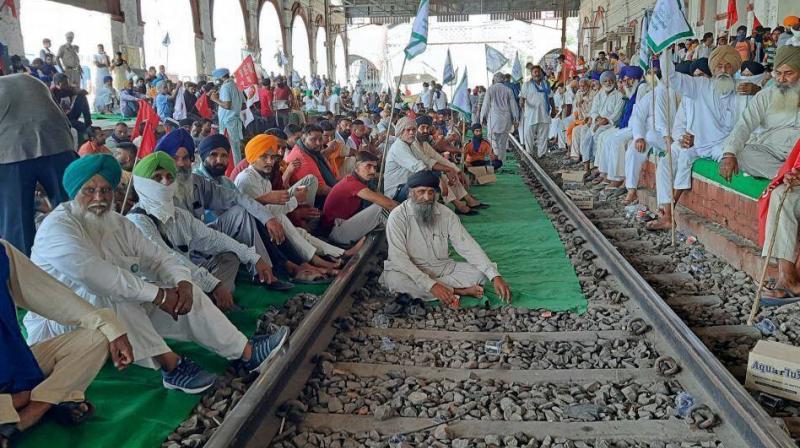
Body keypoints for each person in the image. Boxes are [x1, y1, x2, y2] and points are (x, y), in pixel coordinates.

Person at [25, 154, 290, 394]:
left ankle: (246, 353)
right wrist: (158, 295)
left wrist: (182, 283)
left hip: (118, 323)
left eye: (105, 190)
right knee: (114, 293)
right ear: (74, 193)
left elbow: (158, 257)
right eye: (89, 190)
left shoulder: (116, 223)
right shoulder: (57, 227)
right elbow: (94, 275)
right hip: (64, 328)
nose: (99, 198)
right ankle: (171, 367)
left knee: (179, 288)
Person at [0, 239, 133, 446]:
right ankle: (44, 400)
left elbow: (51, 296)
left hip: (18, 367)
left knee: (96, 337)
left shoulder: (2, 252)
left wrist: (110, 327)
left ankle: (33, 410)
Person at [128, 153, 273, 310]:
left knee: (229, 256)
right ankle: (207, 308)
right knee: (182, 284)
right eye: (157, 178)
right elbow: (168, 259)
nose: (165, 183)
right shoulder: (137, 221)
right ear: (142, 184)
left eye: (169, 177)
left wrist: (253, 257)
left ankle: (211, 306)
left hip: (188, 276)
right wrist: (213, 284)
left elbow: (214, 238)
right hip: (159, 289)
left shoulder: (178, 214)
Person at [379, 170, 512, 307]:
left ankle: (442, 291)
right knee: (398, 282)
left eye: (431, 192)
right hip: (409, 271)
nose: (426, 197)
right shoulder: (397, 216)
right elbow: (398, 258)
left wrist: (495, 276)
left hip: (442, 269)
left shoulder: (446, 214)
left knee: (481, 273)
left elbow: (467, 246)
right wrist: (431, 285)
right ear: (411, 192)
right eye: (421, 192)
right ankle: (459, 291)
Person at [646, 47, 743, 230]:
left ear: (735, 69)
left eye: (728, 66)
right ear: (713, 69)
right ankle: (666, 212)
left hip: (721, 146)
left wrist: (757, 87)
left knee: (738, 160)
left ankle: (669, 211)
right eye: (719, 66)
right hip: (694, 143)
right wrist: (666, 50)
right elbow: (670, 77)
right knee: (667, 160)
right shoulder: (700, 86)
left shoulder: (742, 88)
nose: (723, 70)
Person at [0, 74, 77, 256]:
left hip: (12, 152)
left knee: (16, 220)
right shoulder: (31, 80)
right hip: (59, 143)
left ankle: (21, 273)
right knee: (73, 208)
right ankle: (77, 256)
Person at [322, 151, 397, 244]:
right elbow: (388, 204)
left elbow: (383, 197)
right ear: (356, 167)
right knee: (381, 207)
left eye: (374, 167)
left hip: (343, 225)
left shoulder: (360, 180)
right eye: (368, 166)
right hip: (336, 232)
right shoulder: (352, 183)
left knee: (387, 200)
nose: (373, 171)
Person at [577, 71, 626, 176]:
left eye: (611, 81)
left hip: (610, 124)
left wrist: (605, 120)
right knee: (585, 135)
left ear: (614, 82)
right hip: (598, 121)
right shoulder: (599, 94)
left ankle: (597, 167)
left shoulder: (619, 95)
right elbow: (593, 110)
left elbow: (617, 114)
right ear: (602, 82)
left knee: (598, 135)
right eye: (605, 81)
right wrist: (597, 118)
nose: (608, 83)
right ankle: (586, 167)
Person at [284, 124, 339, 207]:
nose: (318, 143)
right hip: (316, 202)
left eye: (320, 139)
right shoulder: (301, 157)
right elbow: (320, 189)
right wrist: (341, 193)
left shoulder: (309, 150)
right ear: (303, 138)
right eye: (313, 139)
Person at [480, 72, 519, 162]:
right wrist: (516, 118)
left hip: (493, 119)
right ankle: (501, 161)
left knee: (492, 139)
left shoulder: (490, 89)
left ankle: (496, 157)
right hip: (506, 119)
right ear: (503, 80)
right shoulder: (508, 90)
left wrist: (482, 118)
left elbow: (485, 105)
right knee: (503, 142)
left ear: (493, 80)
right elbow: (513, 105)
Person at [209, 68, 245, 164]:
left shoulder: (226, 87)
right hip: (234, 120)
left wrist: (215, 99)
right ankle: (237, 168)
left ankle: (235, 171)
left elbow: (227, 105)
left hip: (228, 122)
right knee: (236, 149)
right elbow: (243, 104)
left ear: (221, 77)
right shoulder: (235, 85)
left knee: (231, 150)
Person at [519, 65, 555, 157]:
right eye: (535, 72)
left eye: (538, 72)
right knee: (529, 134)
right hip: (531, 114)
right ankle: (529, 153)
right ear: (531, 74)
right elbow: (522, 97)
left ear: (541, 73)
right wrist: (522, 102)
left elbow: (551, 98)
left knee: (543, 134)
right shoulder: (526, 85)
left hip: (544, 113)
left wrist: (553, 109)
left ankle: (542, 153)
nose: (537, 74)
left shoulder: (546, 84)